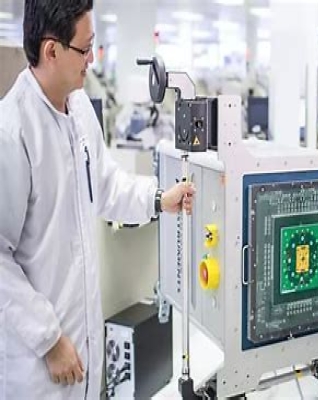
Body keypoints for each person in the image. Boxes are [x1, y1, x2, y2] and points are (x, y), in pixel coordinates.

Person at [0, 0, 195, 398]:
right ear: (51, 50)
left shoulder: (79, 109)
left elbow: (106, 187)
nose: (92, 59)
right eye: (85, 49)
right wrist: (49, 341)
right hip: (38, 366)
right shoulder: (12, 132)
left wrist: (160, 198)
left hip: (84, 345)